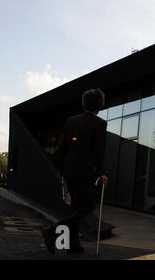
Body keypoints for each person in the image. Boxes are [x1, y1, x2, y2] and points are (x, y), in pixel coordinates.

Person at [42, 88, 108, 255]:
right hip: (85, 171)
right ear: (100, 104)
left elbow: (62, 147)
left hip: (69, 169)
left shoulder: (71, 121)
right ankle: (52, 231)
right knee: (88, 206)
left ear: (84, 103)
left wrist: (61, 169)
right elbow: (97, 151)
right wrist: (101, 172)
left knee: (76, 208)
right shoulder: (100, 124)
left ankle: (73, 246)